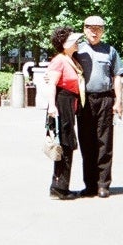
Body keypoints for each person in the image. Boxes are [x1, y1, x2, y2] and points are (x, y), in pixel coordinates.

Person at [75, 15, 123, 199]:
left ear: (103, 31)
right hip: (84, 101)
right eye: (90, 27)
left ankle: (103, 185)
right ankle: (89, 185)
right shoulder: (77, 50)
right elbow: (62, 67)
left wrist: (119, 101)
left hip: (105, 100)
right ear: (84, 29)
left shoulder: (110, 51)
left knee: (104, 142)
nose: (94, 31)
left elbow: (118, 76)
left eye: (98, 28)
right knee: (86, 143)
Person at [45, 27, 85, 200]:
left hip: (69, 102)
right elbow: (52, 84)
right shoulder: (60, 60)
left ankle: (61, 186)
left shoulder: (70, 59)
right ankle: (59, 187)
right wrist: (52, 106)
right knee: (64, 144)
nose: (77, 42)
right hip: (62, 103)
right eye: (73, 40)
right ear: (64, 44)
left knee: (67, 143)